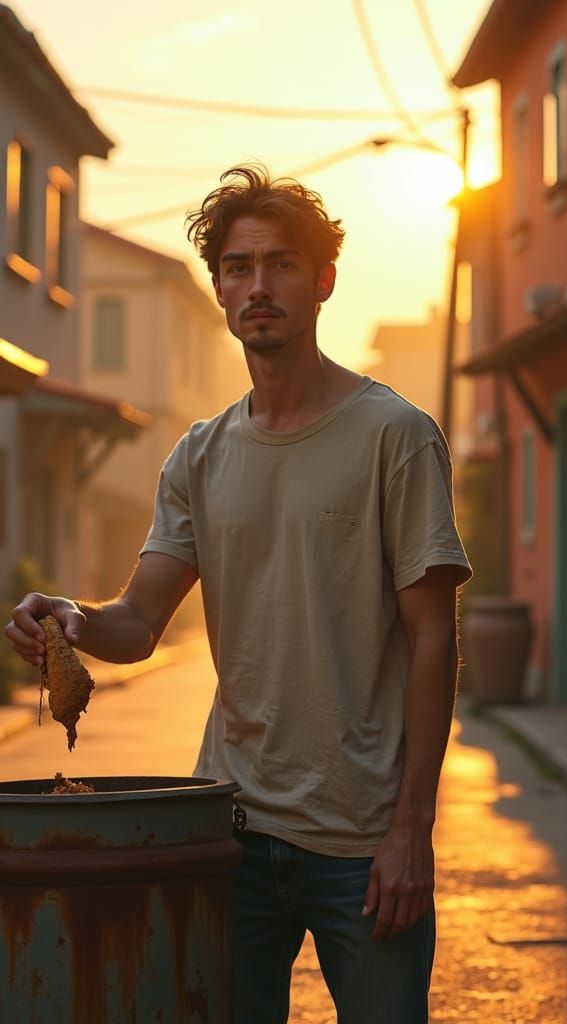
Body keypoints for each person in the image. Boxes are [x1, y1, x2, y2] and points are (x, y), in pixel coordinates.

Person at [5, 164, 471, 1023]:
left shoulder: (396, 436)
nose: (259, 286)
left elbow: (433, 637)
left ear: (323, 281)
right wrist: (71, 618)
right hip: (230, 832)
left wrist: (414, 826)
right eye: (239, 267)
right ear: (220, 288)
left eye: (281, 264)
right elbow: (138, 621)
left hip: (364, 842)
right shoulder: (199, 455)